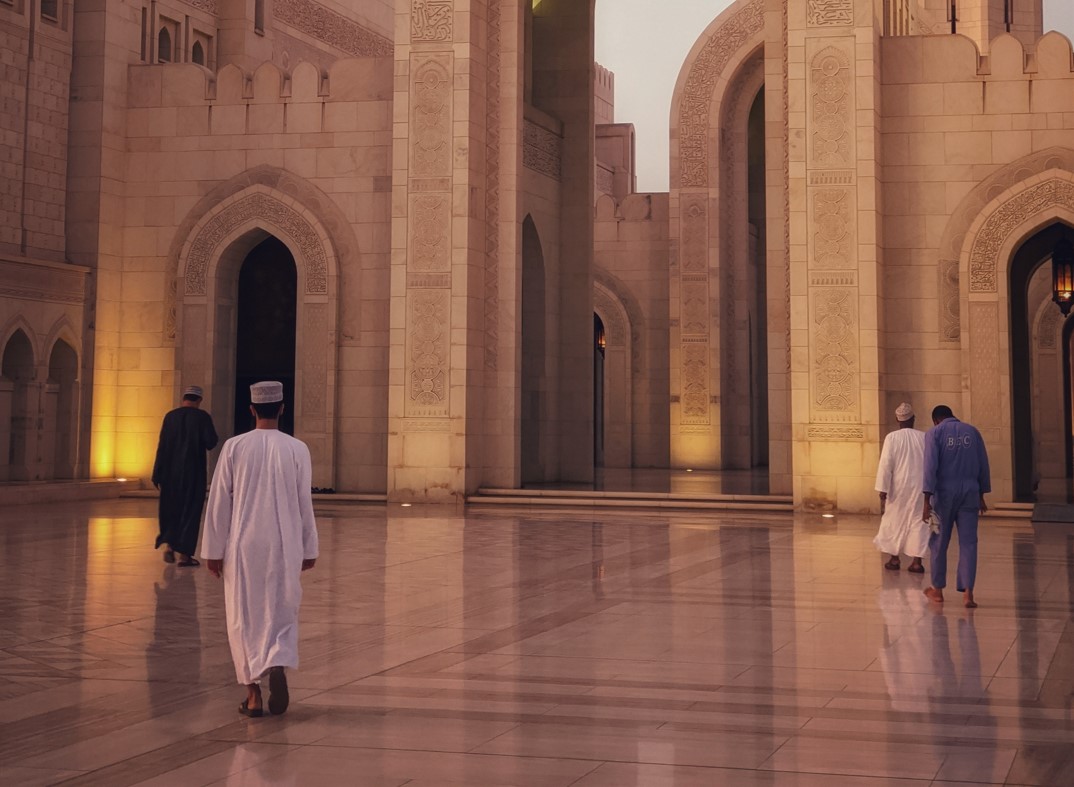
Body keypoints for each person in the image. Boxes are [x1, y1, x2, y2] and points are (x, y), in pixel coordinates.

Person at [202, 381, 318, 717]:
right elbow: (303, 503)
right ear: (282, 408)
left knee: (243, 615)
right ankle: (277, 660)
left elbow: (220, 500)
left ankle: (252, 695)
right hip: (284, 542)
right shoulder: (297, 449)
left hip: (243, 543)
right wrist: (309, 546)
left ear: (251, 410)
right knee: (281, 607)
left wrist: (213, 549)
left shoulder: (235, 447)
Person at [921, 404, 991, 609]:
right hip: (970, 492)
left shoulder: (934, 433)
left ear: (936, 420)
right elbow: (983, 464)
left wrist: (926, 500)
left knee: (938, 541)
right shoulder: (972, 431)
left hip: (943, 496)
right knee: (969, 543)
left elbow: (930, 467)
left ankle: (938, 590)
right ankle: (968, 593)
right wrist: (982, 494)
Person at [152, 384, 218, 567]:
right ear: (199, 400)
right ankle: (185, 555)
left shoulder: (170, 417)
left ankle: (170, 546)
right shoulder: (202, 417)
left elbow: (162, 445)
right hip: (193, 473)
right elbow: (211, 441)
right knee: (190, 511)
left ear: (184, 398)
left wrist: (157, 472)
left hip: (170, 473)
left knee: (171, 509)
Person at [874, 402, 927, 573]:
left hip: (898, 487)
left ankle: (894, 559)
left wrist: (882, 488)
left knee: (894, 520)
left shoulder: (892, 438)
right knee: (918, 521)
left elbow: (885, 465)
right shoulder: (924, 437)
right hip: (920, 487)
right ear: (913, 419)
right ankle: (916, 561)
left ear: (898, 420)